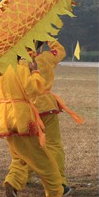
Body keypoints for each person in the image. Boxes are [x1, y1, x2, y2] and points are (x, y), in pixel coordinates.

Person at [0, 56, 73, 197]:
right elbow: (32, 89)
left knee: (19, 154)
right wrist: (34, 72)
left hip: (4, 116)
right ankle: (55, 190)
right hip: (21, 115)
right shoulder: (22, 66)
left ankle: (13, 181)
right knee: (42, 156)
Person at [23, 40, 83, 187]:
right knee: (53, 145)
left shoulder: (19, 63)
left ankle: (23, 176)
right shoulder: (46, 58)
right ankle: (59, 180)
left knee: (28, 145)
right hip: (47, 107)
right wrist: (48, 37)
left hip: (26, 109)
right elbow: (60, 50)